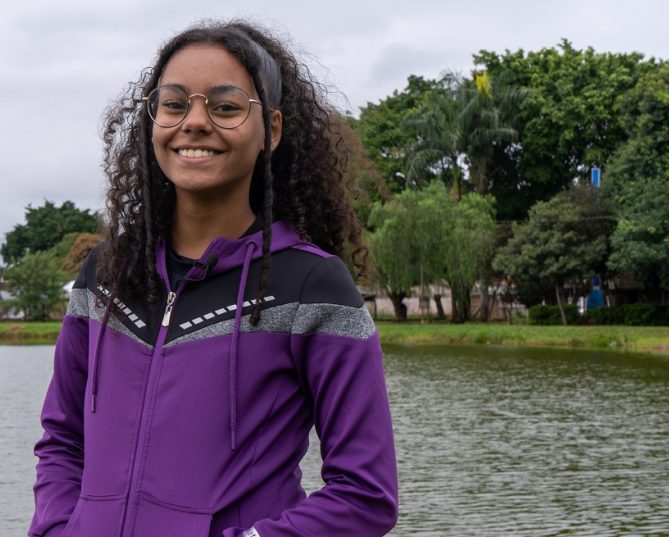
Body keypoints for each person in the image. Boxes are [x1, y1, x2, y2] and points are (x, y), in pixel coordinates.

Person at [29, 20, 398, 537]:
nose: (195, 122)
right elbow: (63, 440)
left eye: (225, 107)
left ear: (271, 130)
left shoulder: (313, 286)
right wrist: (57, 529)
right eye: (174, 104)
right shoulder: (107, 274)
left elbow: (365, 495)